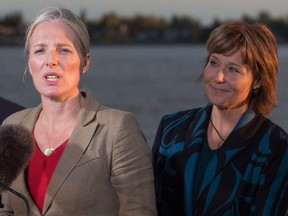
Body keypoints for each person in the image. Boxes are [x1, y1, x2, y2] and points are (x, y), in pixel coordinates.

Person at [0, 7, 157, 215]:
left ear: (85, 62)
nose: (51, 60)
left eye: (63, 50)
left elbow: (140, 211)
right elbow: (7, 210)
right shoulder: (13, 126)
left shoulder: (118, 128)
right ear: (30, 64)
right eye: (40, 50)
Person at [152, 21, 288, 215]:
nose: (218, 77)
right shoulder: (171, 128)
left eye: (233, 69)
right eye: (214, 62)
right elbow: (149, 205)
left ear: (257, 80)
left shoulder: (276, 147)